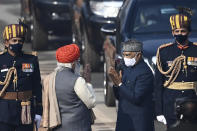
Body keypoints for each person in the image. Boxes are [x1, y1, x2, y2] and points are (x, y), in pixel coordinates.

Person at [154, 7, 197, 128]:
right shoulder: (163, 51)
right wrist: (159, 111)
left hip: (192, 102)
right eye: (176, 31)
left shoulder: (195, 50)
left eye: (183, 31)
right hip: (171, 103)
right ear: (173, 32)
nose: (179, 34)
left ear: (189, 32)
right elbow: (157, 84)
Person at [40, 44, 96, 131]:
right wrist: (88, 84)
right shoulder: (77, 80)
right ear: (73, 64)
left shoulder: (50, 79)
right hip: (79, 127)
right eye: (77, 62)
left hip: (58, 128)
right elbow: (91, 102)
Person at [0, 20, 42, 131]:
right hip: (4, 113)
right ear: (6, 43)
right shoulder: (0, 59)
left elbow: (37, 86)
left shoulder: (31, 59)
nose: (17, 43)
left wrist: (39, 111)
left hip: (25, 111)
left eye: (20, 41)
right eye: (14, 40)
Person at [109, 39, 154, 131]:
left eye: (128, 55)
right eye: (124, 55)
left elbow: (136, 98)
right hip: (124, 119)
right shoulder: (124, 68)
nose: (125, 58)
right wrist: (115, 84)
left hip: (138, 123)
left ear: (138, 55)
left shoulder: (145, 73)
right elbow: (119, 96)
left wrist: (120, 84)